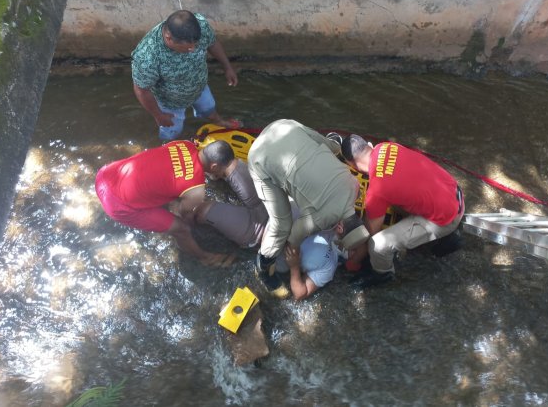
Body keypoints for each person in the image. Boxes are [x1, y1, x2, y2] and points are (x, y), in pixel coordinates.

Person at [192, 144, 346, 300]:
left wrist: (294, 266)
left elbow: (299, 294)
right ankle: (216, 172)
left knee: (201, 211)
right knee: (227, 162)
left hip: (258, 231)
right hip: (272, 203)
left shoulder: (328, 264)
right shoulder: (337, 214)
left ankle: (263, 270)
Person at [247, 119, 369, 293]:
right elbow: (294, 236)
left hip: (283, 127)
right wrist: (293, 260)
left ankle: (335, 142)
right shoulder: (321, 218)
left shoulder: (354, 185)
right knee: (281, 224)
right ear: (340, 227)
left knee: (326, 145)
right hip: (260, 159)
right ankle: (263, 266)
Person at [341, 134, 465, 286]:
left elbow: (371, 233)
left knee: (378, 245)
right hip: (454, 193)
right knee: (397, 200)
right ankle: (443, 237)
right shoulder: (387, 147)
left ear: (352, 164)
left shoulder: (377, 191)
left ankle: (383, 275)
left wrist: (355, 260)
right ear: (369, 145)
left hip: (446, 219)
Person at [94, 139, 237, 267]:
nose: (223, 174)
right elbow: (185, 215)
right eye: (223, 171)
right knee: (182, 229)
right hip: (118, 205)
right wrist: (194, 223)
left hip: (106, 174)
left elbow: (173, 172)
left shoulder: (184, 144)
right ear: (214, 167)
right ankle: (205, 258)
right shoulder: (196, 191)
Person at [131, 9, 242, 141]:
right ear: (168, 38)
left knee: (209, 107)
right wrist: (158, 115)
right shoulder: (147, 57)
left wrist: (227, 67)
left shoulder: (199, 25)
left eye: (196, 45)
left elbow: (212, 43)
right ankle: (171, 143)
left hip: (199, 86)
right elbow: (141, 90)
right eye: (188, 48)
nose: (194, 49)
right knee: (171, 133)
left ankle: (218, 121)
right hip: (171, 103)